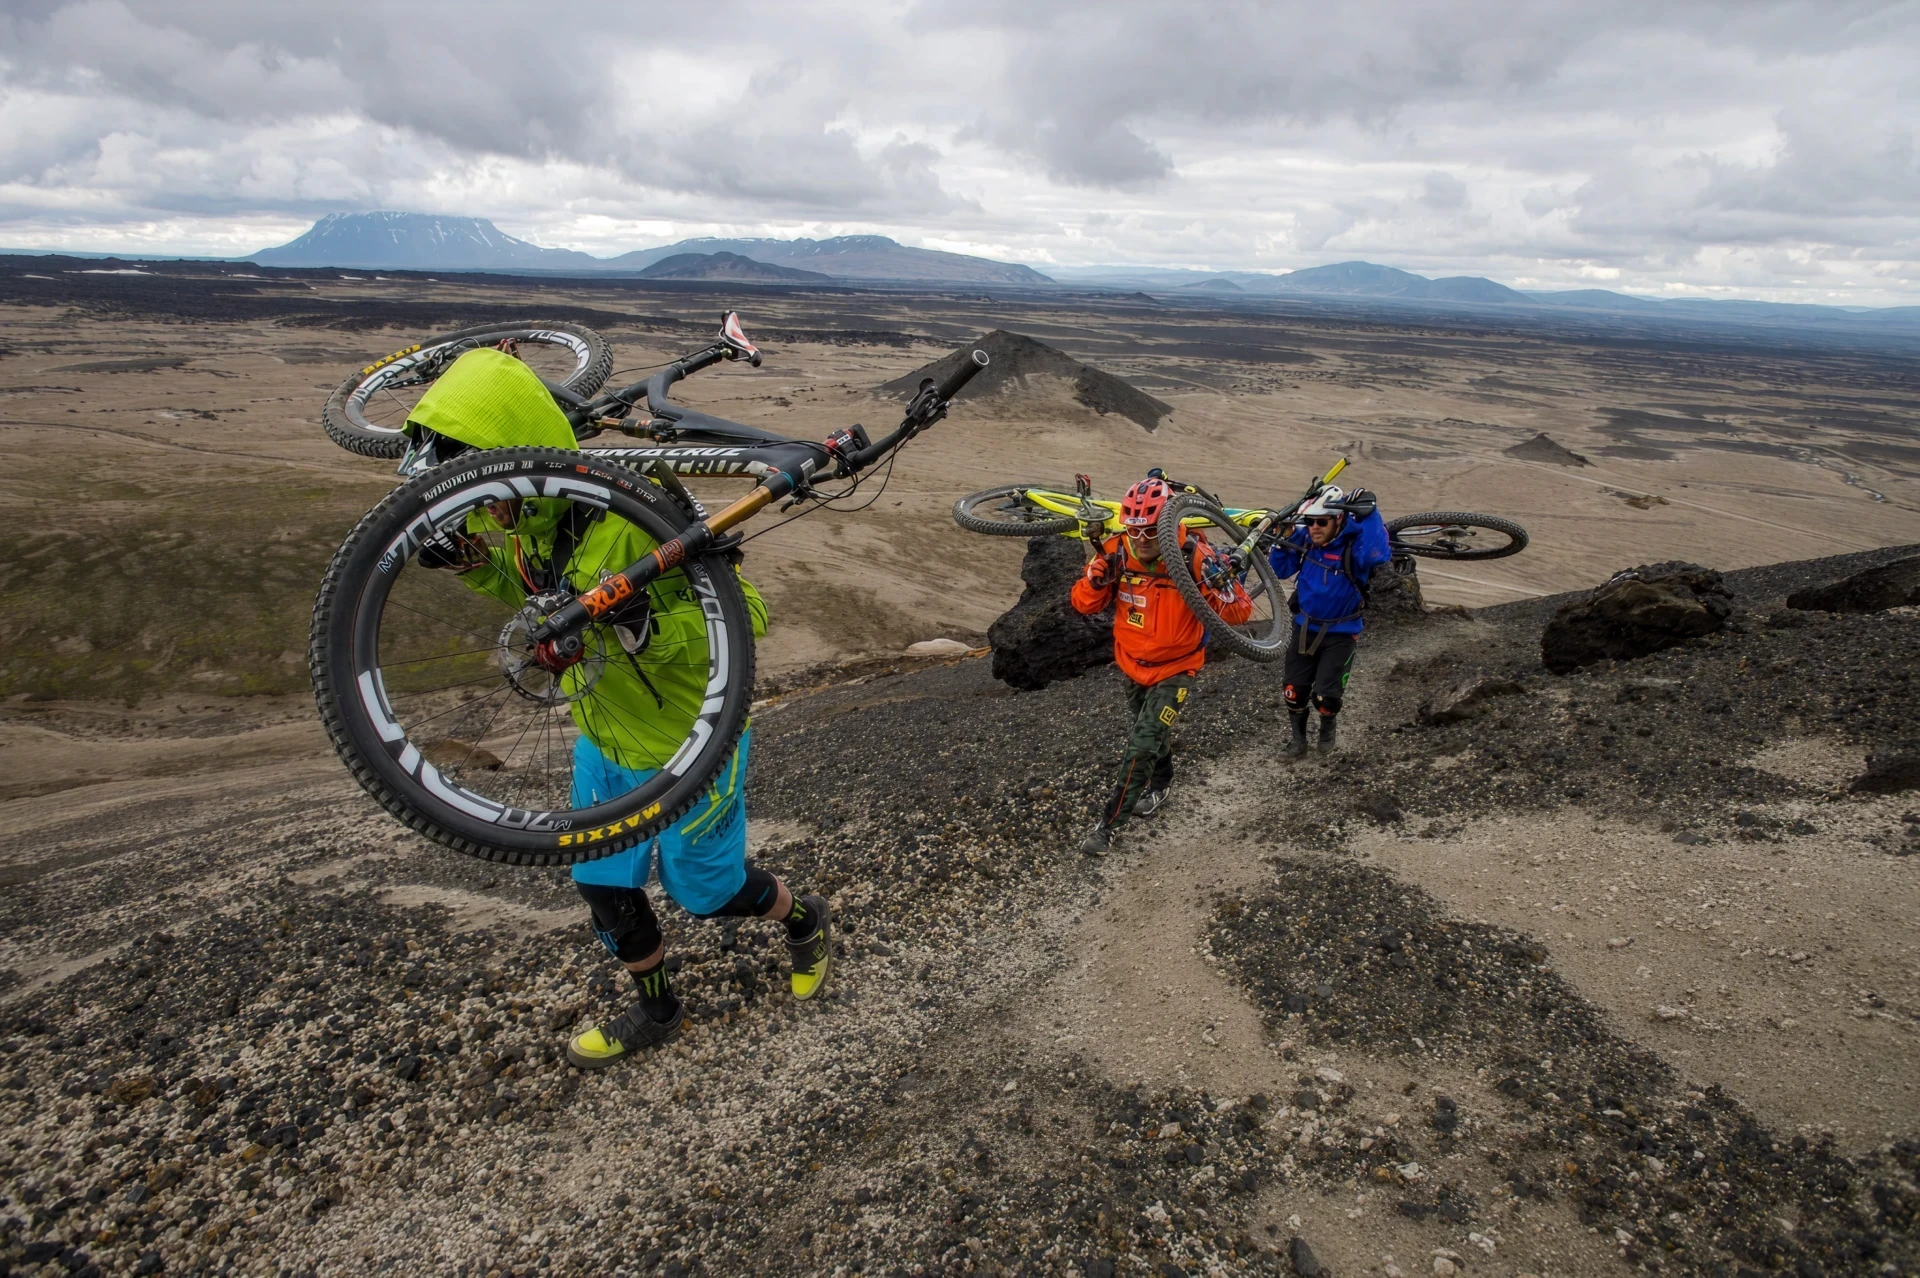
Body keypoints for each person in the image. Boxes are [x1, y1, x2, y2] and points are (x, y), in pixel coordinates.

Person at [405, 346, 833, 1071]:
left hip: (690, 744)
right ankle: (658, 1009)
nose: (486, 511)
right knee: (601, 885)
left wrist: (646, 629)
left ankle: (805, 916)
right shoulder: (528, 529)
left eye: (487, 493)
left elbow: (748, 616)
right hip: (602, 742)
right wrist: (478, 568)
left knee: (708, 893)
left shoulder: (634, 514)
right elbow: (543, 606)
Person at [1070, 475, 1253, 856]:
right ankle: (1161, 784)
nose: (1141, 539)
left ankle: (1107, 827)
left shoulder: (1193, 556)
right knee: (1151, 734)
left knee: (1143, 741)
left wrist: (1221, 584)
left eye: (1150, 531)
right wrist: (1093, 581)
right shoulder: (1115, 551)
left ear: (1168, 524)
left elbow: (1241, 611)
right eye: (1134, 530)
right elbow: (1084, 605)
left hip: (1178, 667)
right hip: (1131, 662)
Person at [1268, 484, 1390, 757]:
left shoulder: (1354, 542)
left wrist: (1370, 513)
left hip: (1341, 633)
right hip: (1303, 627)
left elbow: (1376, 555)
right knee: (1293, 691)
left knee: (1326, 697)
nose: (1314, 527)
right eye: (1310, 521)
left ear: (1338, 519)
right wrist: (1282, 537)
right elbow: (1281, 568)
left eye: (1321, 521)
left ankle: (1327, 727)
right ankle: (1298, 742)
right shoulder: (1307, 540)